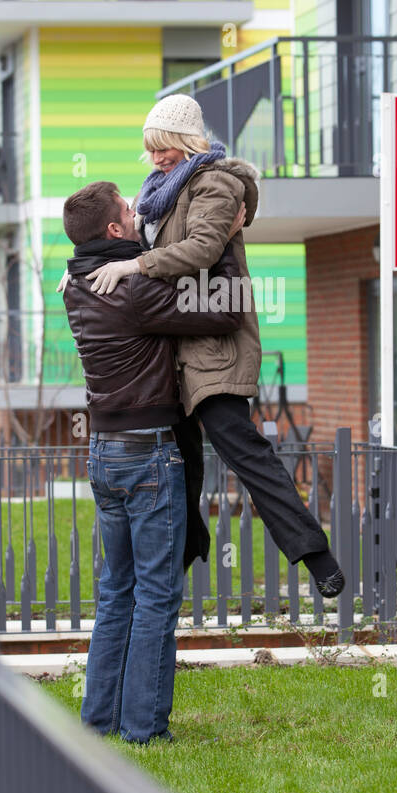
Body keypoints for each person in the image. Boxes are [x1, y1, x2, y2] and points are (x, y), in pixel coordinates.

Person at [86, 94, 346, 598]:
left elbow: (202, 249)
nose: (157, 157)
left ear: (187, 141)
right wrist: (83, 270)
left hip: (213, 349)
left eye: (164, 147)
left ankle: (317, 556)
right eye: (151, 148)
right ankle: (185, 556)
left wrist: (135, 265)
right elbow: (126, 242)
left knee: (243, 450)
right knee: (177, 461)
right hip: (175, 355)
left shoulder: (214, 182)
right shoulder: (159, 193)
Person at [61, 179, 245, 745]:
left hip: (103, 453)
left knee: (117, 591)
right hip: (148, 453)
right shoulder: (133, 291)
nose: (137, 209)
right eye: (127, 208)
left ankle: (99, 723)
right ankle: (144, 730)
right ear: (115, 229)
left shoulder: (76, 286)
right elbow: (224, 311)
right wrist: (228, 246)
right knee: (157, 596)